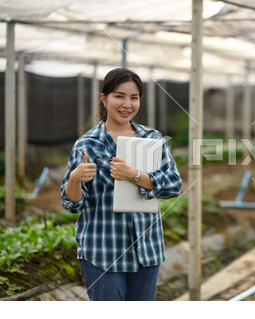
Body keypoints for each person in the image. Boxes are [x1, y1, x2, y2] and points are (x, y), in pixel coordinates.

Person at [60, 68, 182, 301]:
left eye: (134, 97)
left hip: (146, 249)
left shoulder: (151, 139)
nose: (127, 104)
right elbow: (73, 204)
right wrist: (75, 179)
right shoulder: (87, 144)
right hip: (103, 252)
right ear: (104, 99)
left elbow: (174, 185)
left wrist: (135, 175)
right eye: (119, 96)